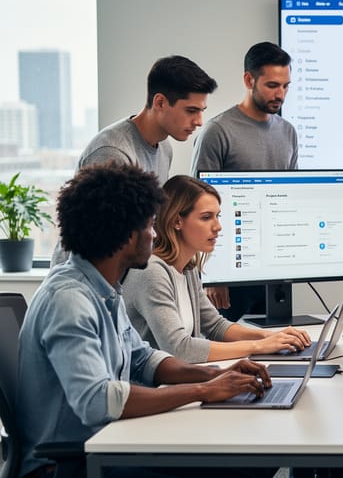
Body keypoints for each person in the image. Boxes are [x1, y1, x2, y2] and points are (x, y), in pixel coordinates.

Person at [17, 162, 274, 478]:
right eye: (151, 225)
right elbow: (99, 400)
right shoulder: (70, 300)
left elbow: (142, 359)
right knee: (244, 466)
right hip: (71, 464)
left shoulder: (104, 288)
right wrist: (202, 392)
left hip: (110, 443)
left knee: (254, 460)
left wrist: (210, 376)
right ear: (125, 234)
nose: (155, 234)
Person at [50, 55, 218, 267]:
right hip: (85, 282)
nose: (199, 121)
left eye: (201, 111)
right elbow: (102, 242)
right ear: (160, 102)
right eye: (191, 111)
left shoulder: (164, 148)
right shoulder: (113, 153)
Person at [123, 175, 311, 363]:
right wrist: (259, 346)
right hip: (156, 389)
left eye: (217, 216)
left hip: (180, 381)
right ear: (176, 221)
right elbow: (179, 348)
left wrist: (271, 337)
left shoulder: (187, 269)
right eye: (206, 217)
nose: (218, 226)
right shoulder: (152, 272)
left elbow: (215, 326)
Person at [190, 41, 299, 321]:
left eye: (286, 86)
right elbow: (196, 207)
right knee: (230, 355)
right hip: (231, 271)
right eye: (272, 85)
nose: (281, 94)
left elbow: (290, 200)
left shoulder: (288, 133)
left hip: (274, 270)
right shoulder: (217, 132)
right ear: (249, 79)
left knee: (274, 347)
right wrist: (212, 274)